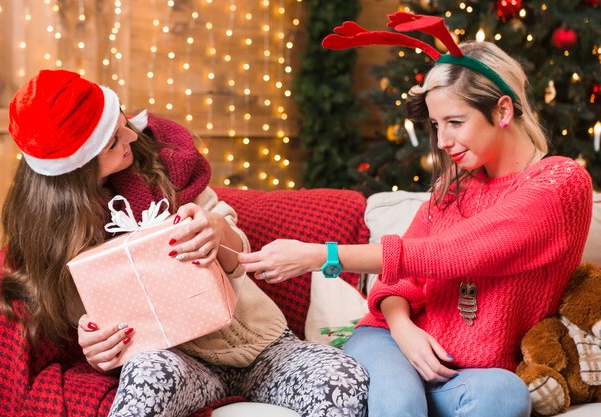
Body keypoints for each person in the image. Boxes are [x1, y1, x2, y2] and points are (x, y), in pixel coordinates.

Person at [238, 13, 593, 417]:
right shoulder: (452, 190)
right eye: (437, 125)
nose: (442, 142)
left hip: (467, 373)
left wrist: (323, 254)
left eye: (455, 122)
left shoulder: (560, 183)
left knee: (505, 394)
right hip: (388, 341)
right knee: (403, 401)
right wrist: (405, 332)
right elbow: (397, 283)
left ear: (503, 111)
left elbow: (454, 251)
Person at [0, 69, 368, 417]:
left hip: (260, 345)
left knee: (343, 378)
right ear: (78, 170)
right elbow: (88, 321)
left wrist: (216, 229)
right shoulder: (55, 237)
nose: (131, 135)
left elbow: (241, 252)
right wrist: (97, 348)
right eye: (113, 141)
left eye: (123, 119)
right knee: (147, 377)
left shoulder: (165, 167)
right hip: (174, 362)